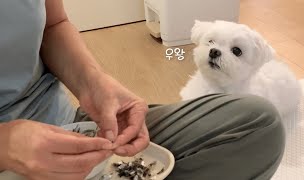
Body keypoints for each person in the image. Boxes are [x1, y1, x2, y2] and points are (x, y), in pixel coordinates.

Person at [0, 0, 285, 180]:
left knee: (258, 124)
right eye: (211, 43)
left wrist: (93, 82)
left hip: (70, 128)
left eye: (235, 50)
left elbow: (54, 24)